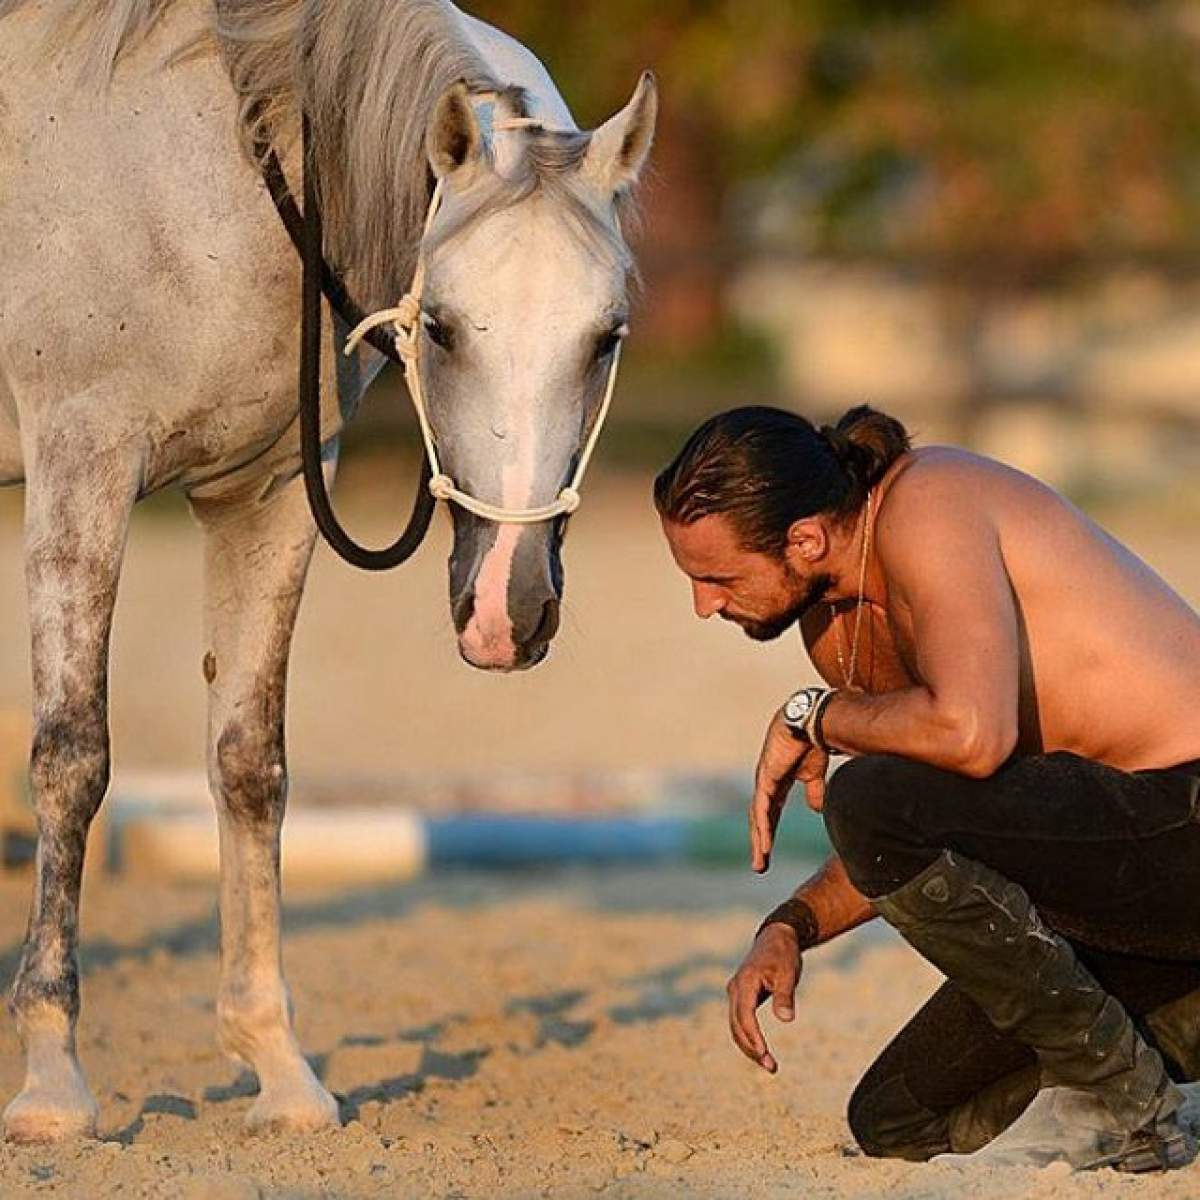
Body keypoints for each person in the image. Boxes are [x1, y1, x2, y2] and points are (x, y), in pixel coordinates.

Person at [654, 405, 1200, 1173]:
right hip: (1128, 875)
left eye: (717, 577)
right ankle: (1166, 1028)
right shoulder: (837, 627)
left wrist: (813, 716)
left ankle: (1122, 1098)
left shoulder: (930, 501)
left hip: (1182, 815)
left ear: (805, 538)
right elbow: (933, 822)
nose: (704, 604)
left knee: (867, 795)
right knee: (899, 1118)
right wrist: (790, 926)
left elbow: (971, 739)